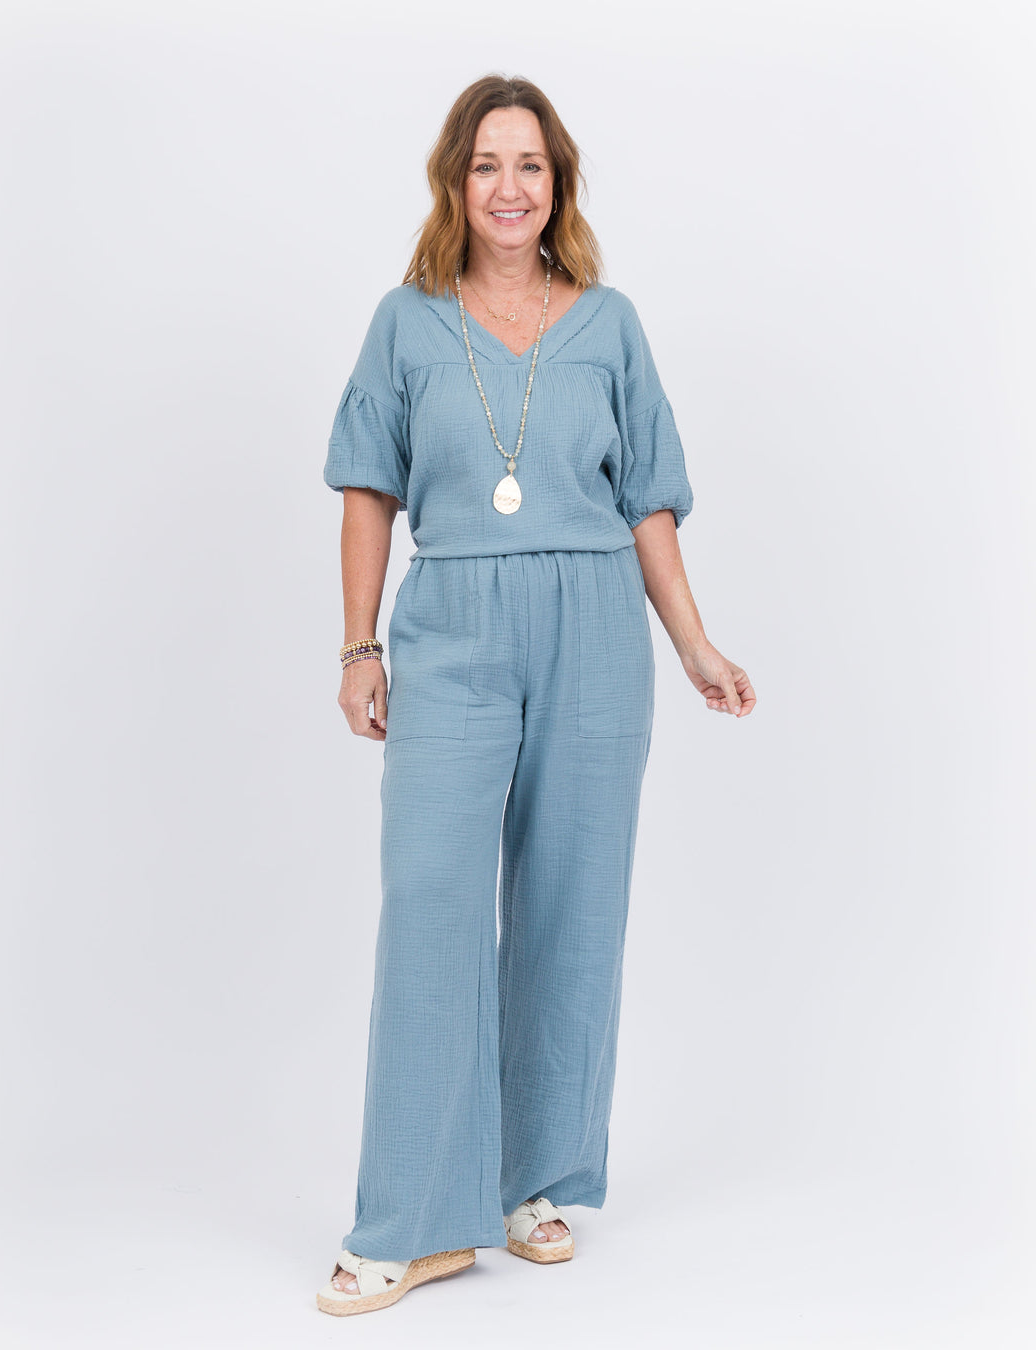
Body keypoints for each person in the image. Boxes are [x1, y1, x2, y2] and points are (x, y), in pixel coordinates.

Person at [317, 73, 756, 1317]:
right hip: (453, 620)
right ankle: (409, 1221)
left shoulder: (609, 324)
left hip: (595, 624)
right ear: (454, 183)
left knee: (573, 901)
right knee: (432, 901)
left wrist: (695, 643)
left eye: (531, 165)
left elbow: (647, 500)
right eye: (486, 164)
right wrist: (358, 649)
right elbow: (368, 490)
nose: (508, 187)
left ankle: (531, 1181)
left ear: (557, 185)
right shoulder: (406, 322)